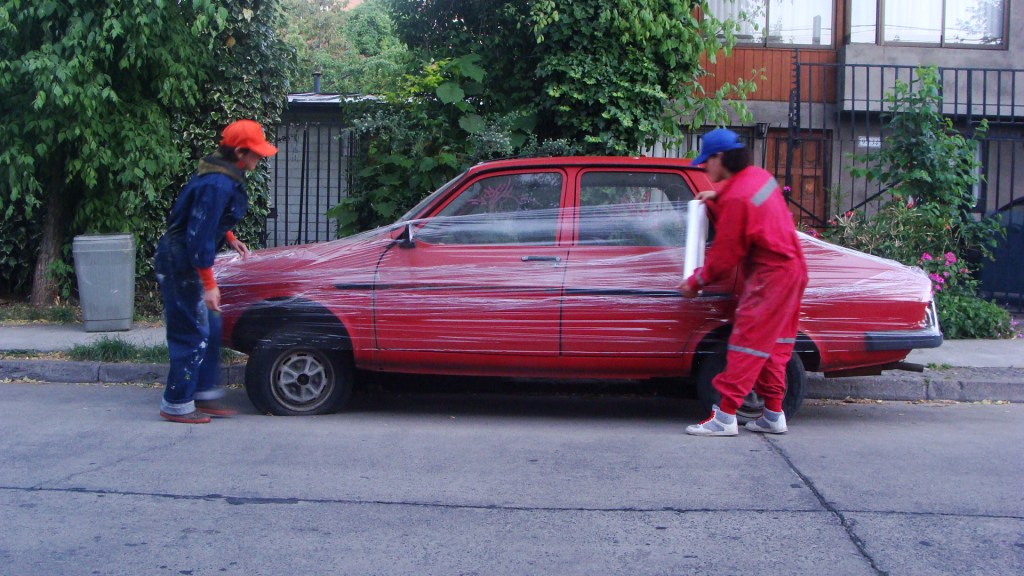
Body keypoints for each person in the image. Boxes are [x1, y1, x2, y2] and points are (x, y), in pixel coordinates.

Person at [680, 128, 808, 436]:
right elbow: (751, 203)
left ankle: (725, 418)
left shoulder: (737, 196)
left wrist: (695, 282)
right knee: (774, 346)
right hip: (793, 271)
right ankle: (773, 414)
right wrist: (718, 196)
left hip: (770, 278)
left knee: (746, 344)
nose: (703, 168)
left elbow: (724, 258)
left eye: (706, 161)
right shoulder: (759, 178)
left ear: (720, 158)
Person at [156, 120, 278, 424]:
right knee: (192, 331)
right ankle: (176, 403)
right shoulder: (217, 183)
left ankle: (204, 394)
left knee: (210, 325)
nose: (260, 157)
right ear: (239, 152)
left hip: (186, 258)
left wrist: (230, 237)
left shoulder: (221, 174)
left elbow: (206, 219)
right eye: (256, 152)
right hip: (181, 263)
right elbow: (197, 235)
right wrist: (209, 284)